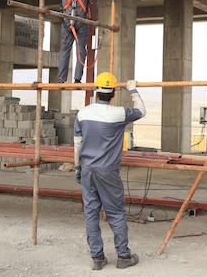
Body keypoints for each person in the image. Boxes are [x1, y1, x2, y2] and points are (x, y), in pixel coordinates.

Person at [73, 72, 146, 270]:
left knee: (91, 213)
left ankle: (97, 258)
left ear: (96, 92)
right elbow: (141, 111)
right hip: (108, 172)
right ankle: (123, 256)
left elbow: (77, 145)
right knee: (115, 213)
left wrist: (78, 167)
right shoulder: (118, 114)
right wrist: (132, 90)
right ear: (112, 93)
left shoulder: (82, 113)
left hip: (88, 170)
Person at [57, 0, 105, 84]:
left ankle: (61, 80)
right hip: (81, 23)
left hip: (67, 23)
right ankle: (77, 79)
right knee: (81, 49)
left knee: (65, 49)